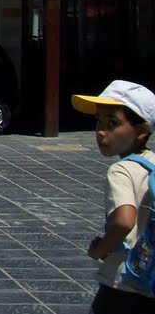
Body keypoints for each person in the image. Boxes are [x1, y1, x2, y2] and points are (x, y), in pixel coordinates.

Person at [71, 81, 155, 313]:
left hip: (123, 282)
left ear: (141, 131)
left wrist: (100, 250)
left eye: (113, 123)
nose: (101, 131)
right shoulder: (153, 164)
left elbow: (123, 221)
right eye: (99, 121)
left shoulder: (121, 170)